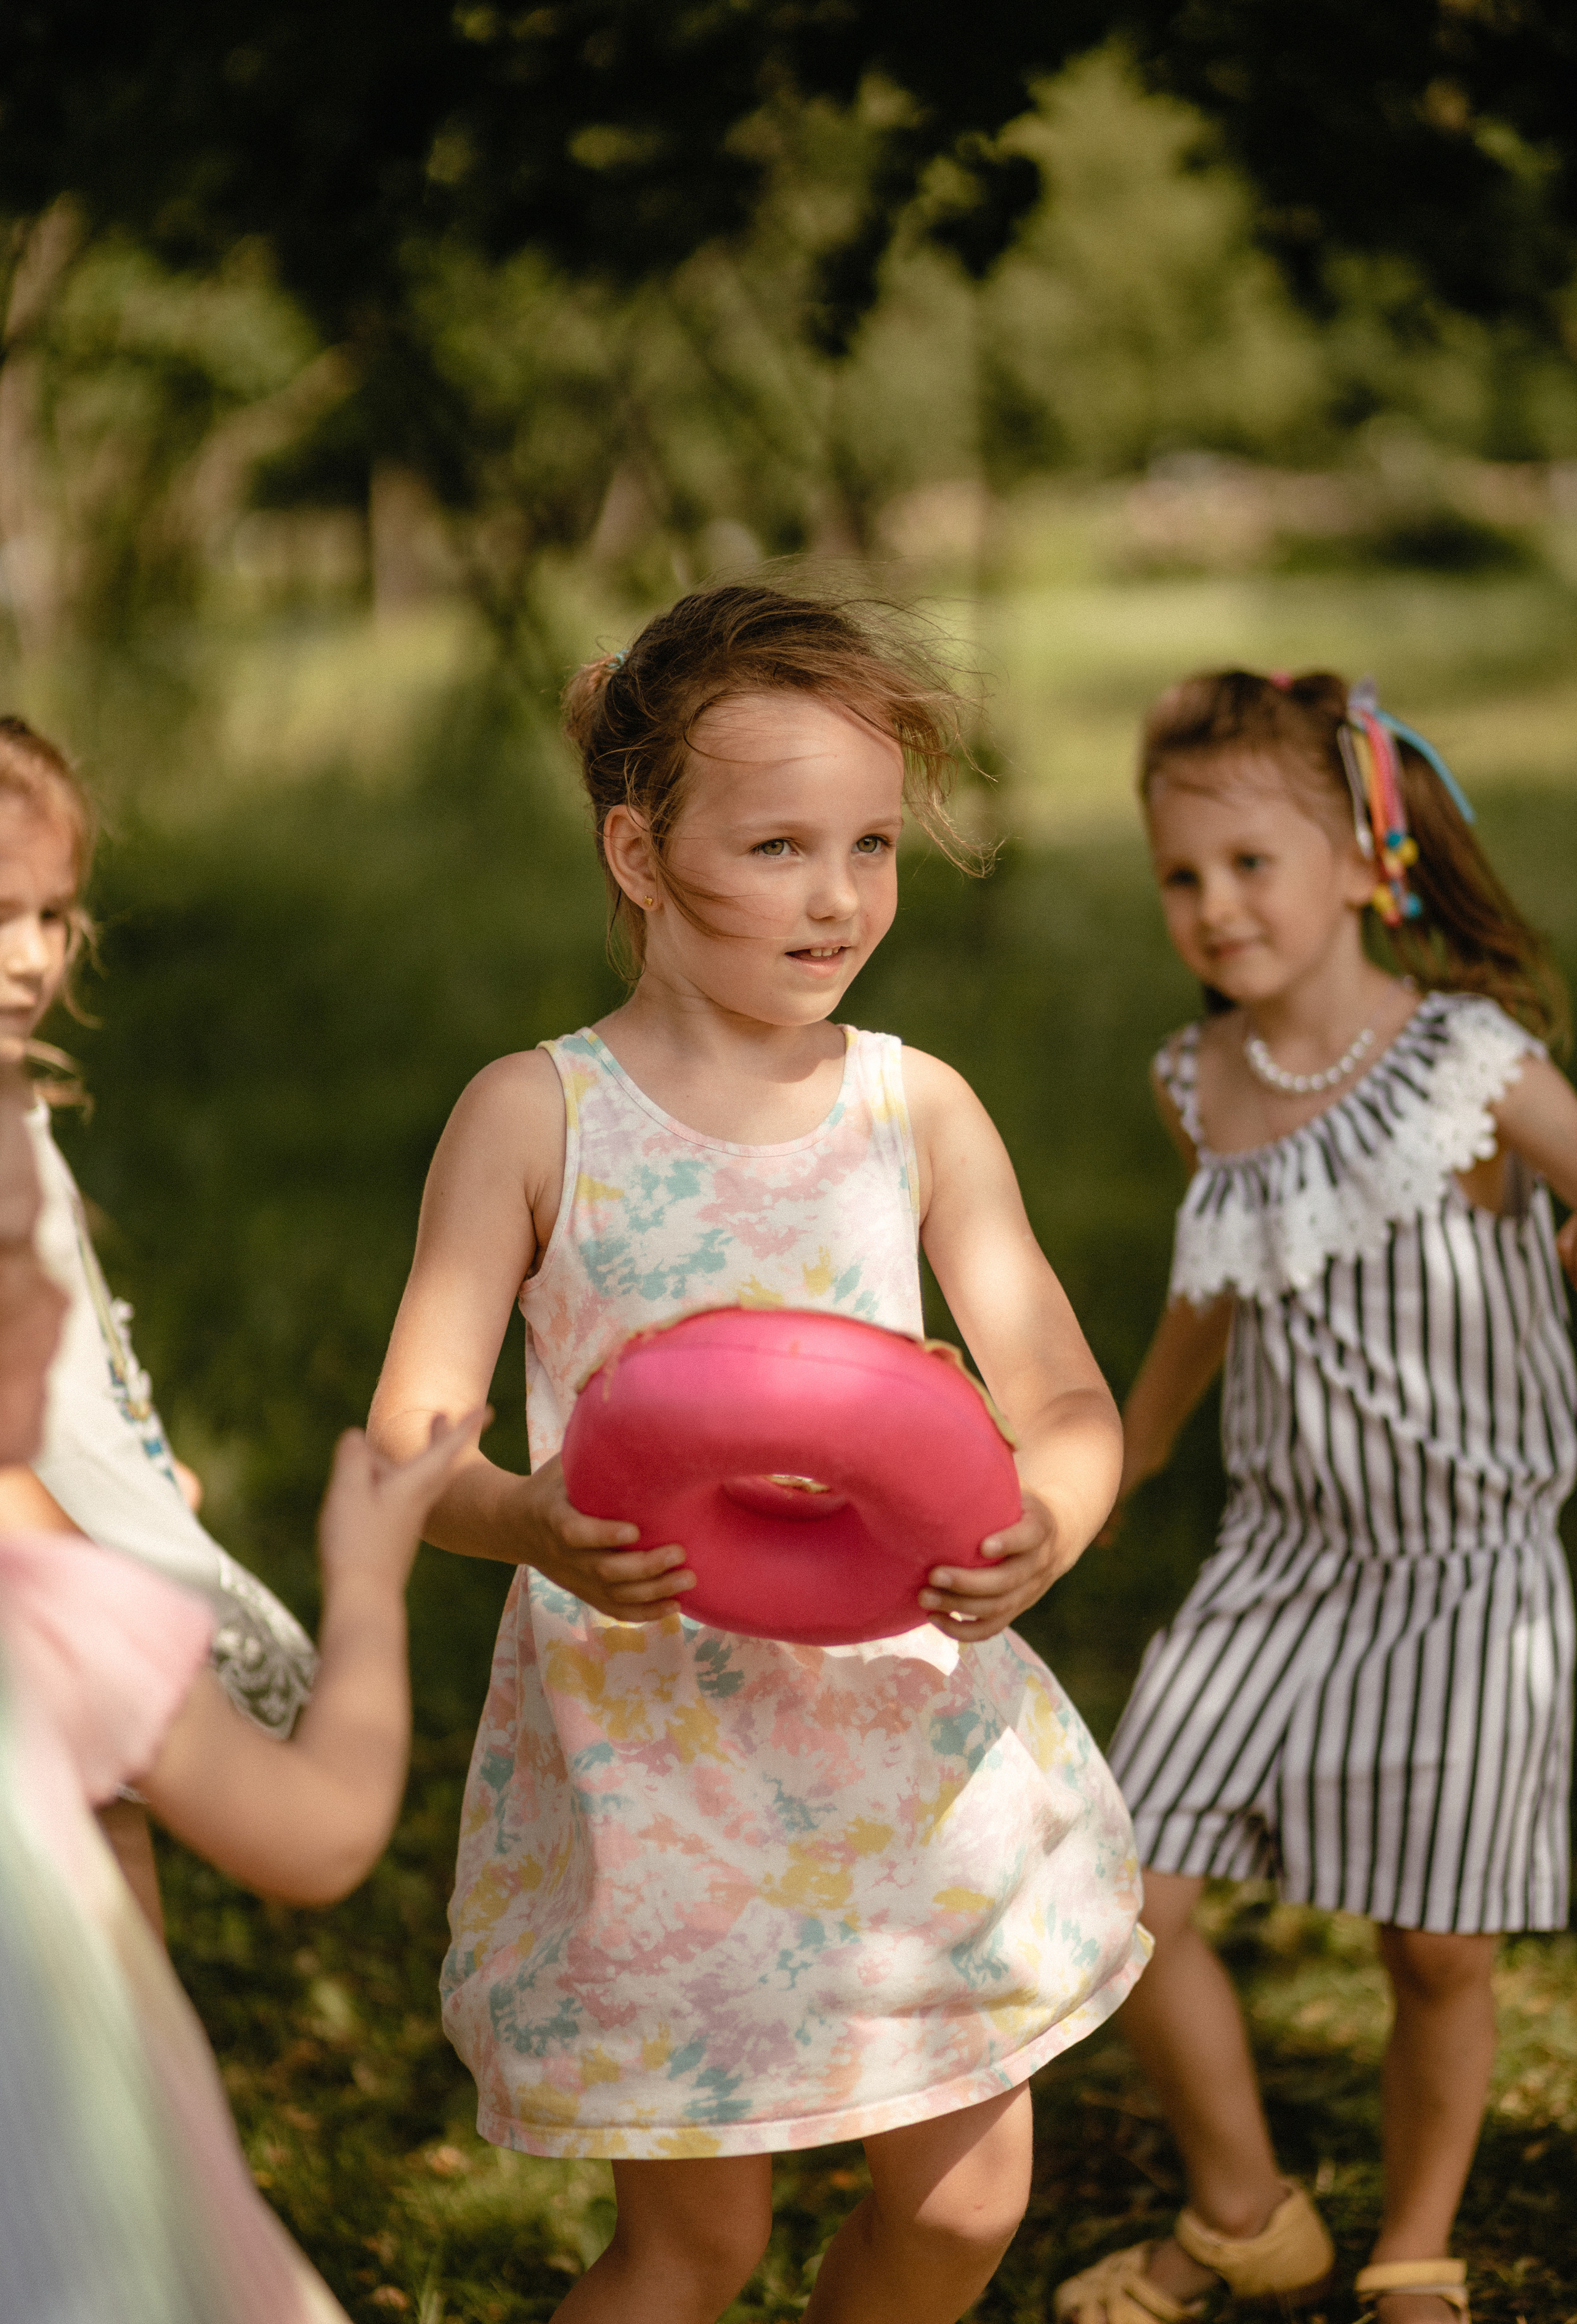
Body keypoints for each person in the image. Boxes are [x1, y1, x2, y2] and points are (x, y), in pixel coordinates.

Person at [368, 580, 1148, 2324]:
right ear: (639, 854)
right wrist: (531, 1520)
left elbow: (1070, 1404)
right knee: (694, 2251)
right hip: (669, 1763)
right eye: (781, 845)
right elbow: (413, 1442)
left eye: (871, 844)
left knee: (965, 2207)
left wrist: (1052, 1521)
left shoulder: (912, 1108)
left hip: (900, 1743)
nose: (842, 896)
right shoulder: (535, 1115)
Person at [1054, 671, 1577, 2324]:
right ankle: (1243, 2212)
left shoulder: (1470, 1067)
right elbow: (1212, 1293)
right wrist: (1116, 1454)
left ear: (1364, 857)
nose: (1214, 907)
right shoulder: (1195, 1083)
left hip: (1467, 1572)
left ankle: (1415, 2244)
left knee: (1437, 1950)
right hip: (1277, 1561)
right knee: (1120, 1892)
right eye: (1182, 878)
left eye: (1252, 864)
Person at [0, 1057, 482, 2324]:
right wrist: (367, 1580)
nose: (58, 1300)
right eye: (19, 1260)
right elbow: (316, 1834)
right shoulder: (43, 1601)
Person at [0, 713, 316, 1929]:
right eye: (0, 917)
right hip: (44, 1586)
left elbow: (63, 1340)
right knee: (92, 1921)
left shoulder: (17, 1103)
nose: (32, 959)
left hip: (84, 1562)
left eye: (54, 915)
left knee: (112, 1922)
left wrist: (135, 1456)